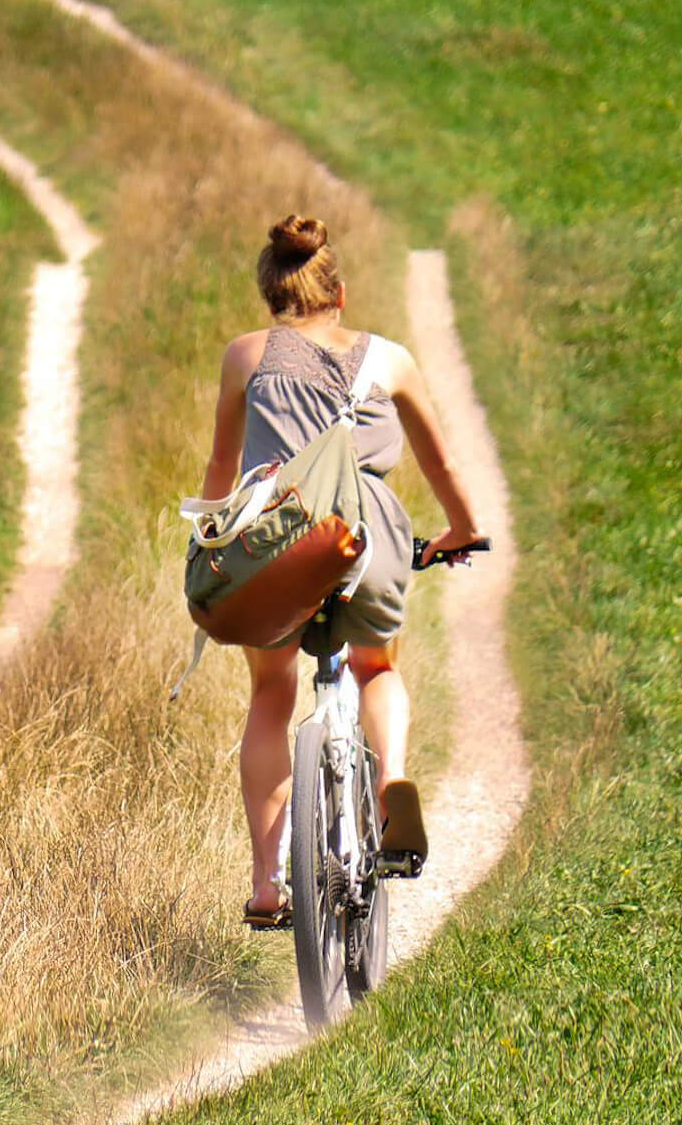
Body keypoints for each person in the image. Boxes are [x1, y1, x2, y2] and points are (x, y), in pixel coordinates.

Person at [200, 215, 486, 928]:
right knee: (376, 668)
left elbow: (218, 467)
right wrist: (463, 529)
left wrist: (213, 533)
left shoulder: (245, 356)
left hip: (275, 540)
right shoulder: (389, 360)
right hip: (368, 540)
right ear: (341, 293)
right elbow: (441, 462)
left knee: (271, 691)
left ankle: (268, 883)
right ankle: (389, 779)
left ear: (271, 295)